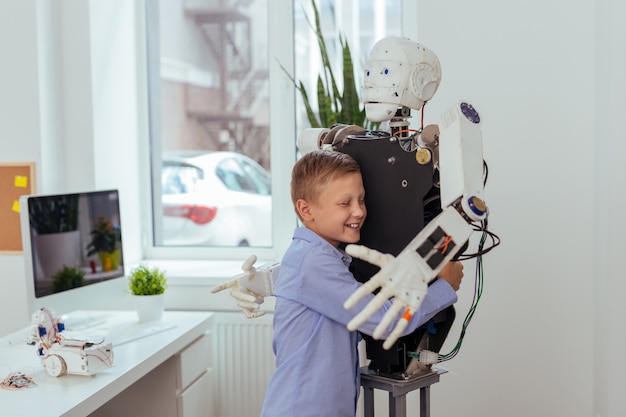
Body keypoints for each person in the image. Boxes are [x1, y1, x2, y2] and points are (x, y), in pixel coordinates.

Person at [260, 149, 463, 417]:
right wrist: (444, 288)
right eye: (345, 203)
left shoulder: (325, 258)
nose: (358, 211)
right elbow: (385, 321)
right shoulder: (313, 262)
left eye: (362, 200)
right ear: (305, 209)